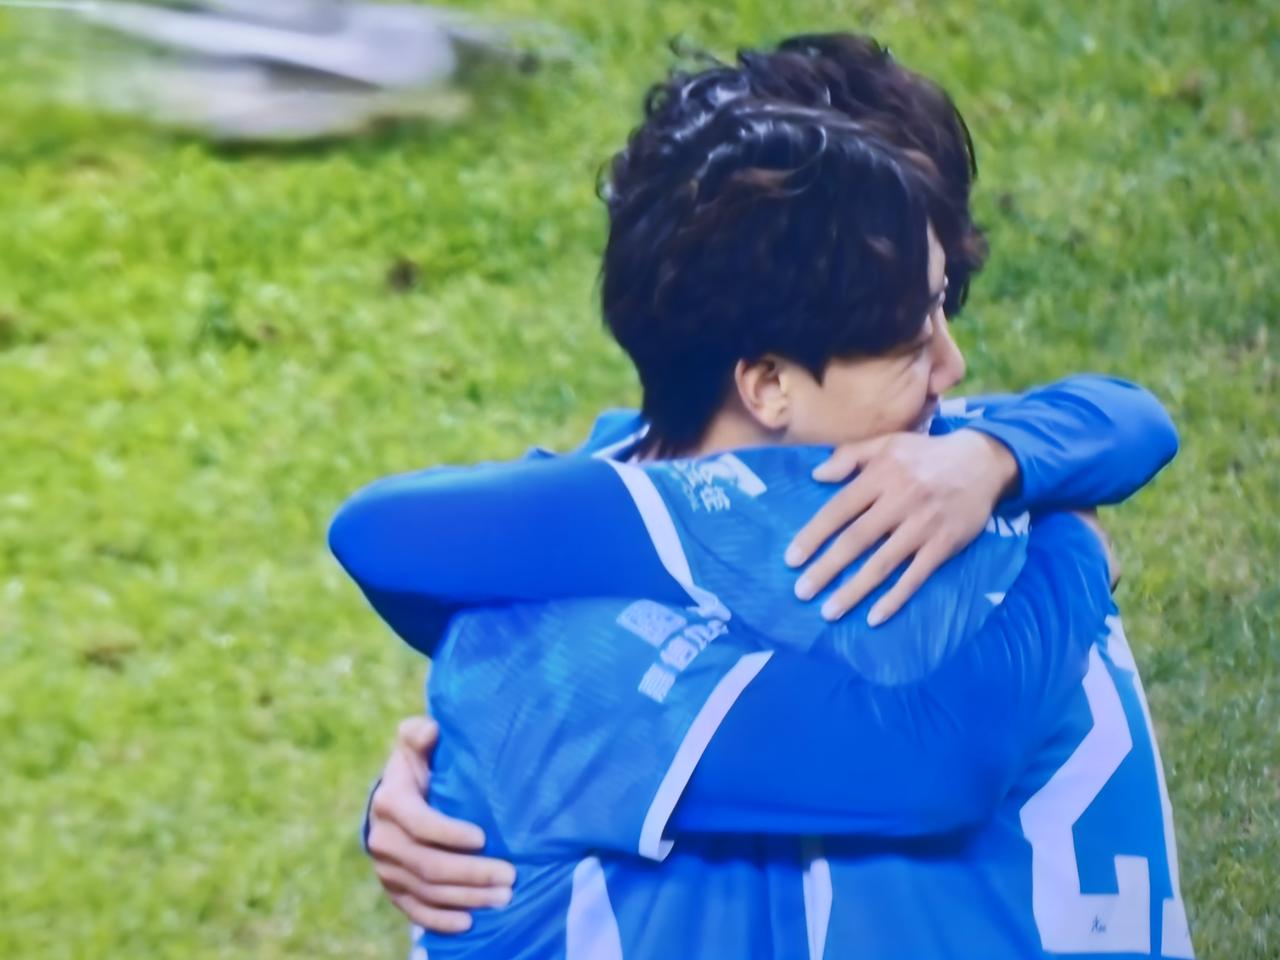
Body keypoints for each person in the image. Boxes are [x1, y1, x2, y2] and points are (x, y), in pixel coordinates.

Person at [333, 35, 1192, 959]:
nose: (953, 366)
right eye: (911, 341)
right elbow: (926, 756)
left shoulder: (932, 470)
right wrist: (1068, 536)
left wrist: (1003, 461)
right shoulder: (997, 478)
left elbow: (1129, 417)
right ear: (769, 383)